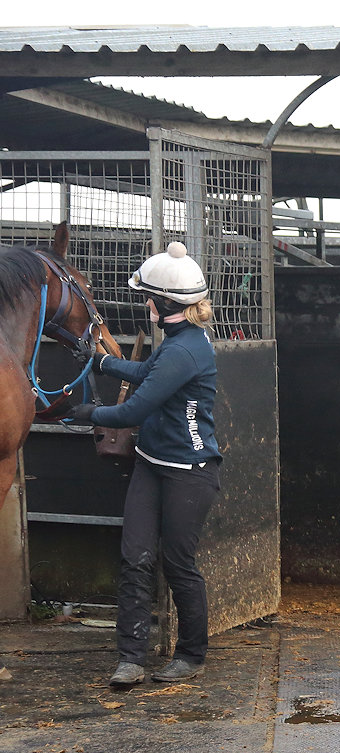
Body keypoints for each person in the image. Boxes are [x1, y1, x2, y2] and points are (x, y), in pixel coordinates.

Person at [66, 242, 221, 689]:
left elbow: (134, 410)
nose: (145, 305)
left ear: (163, 303)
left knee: (178, 564)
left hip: (188, 471)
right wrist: (101, 361)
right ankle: (131, 659)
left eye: (148, 299)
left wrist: (89, 413)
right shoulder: (178, 341)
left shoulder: (183, 351)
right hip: (153, 464)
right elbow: (147, 373)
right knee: (135, 558)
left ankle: (191, 655)